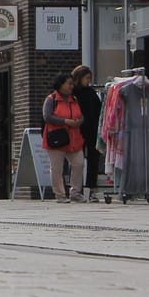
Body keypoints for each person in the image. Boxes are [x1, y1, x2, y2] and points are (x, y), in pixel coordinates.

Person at [42, 74, 87, 205]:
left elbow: (81, 115)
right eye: (69, 84)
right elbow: (47, 117)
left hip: (74, 137)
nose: (71, 86)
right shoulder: (52, 99)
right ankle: (60, 194)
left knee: (78, 163)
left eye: (72, 84)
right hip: (57, 137)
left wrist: (79, 121)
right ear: (60, 85)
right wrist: (66, 121)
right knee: (57, 168)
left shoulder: (74, 99)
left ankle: (76, 193)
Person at [70, 65, 104, 202]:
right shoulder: (73, 93)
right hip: (77, 130)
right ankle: (74, 189)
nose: (89, 81)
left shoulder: (91, 93)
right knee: (76, 162)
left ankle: (91, 188)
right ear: (79, 77)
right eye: (87, 78)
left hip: (92, 130)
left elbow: (98, 110)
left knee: (93, 160)